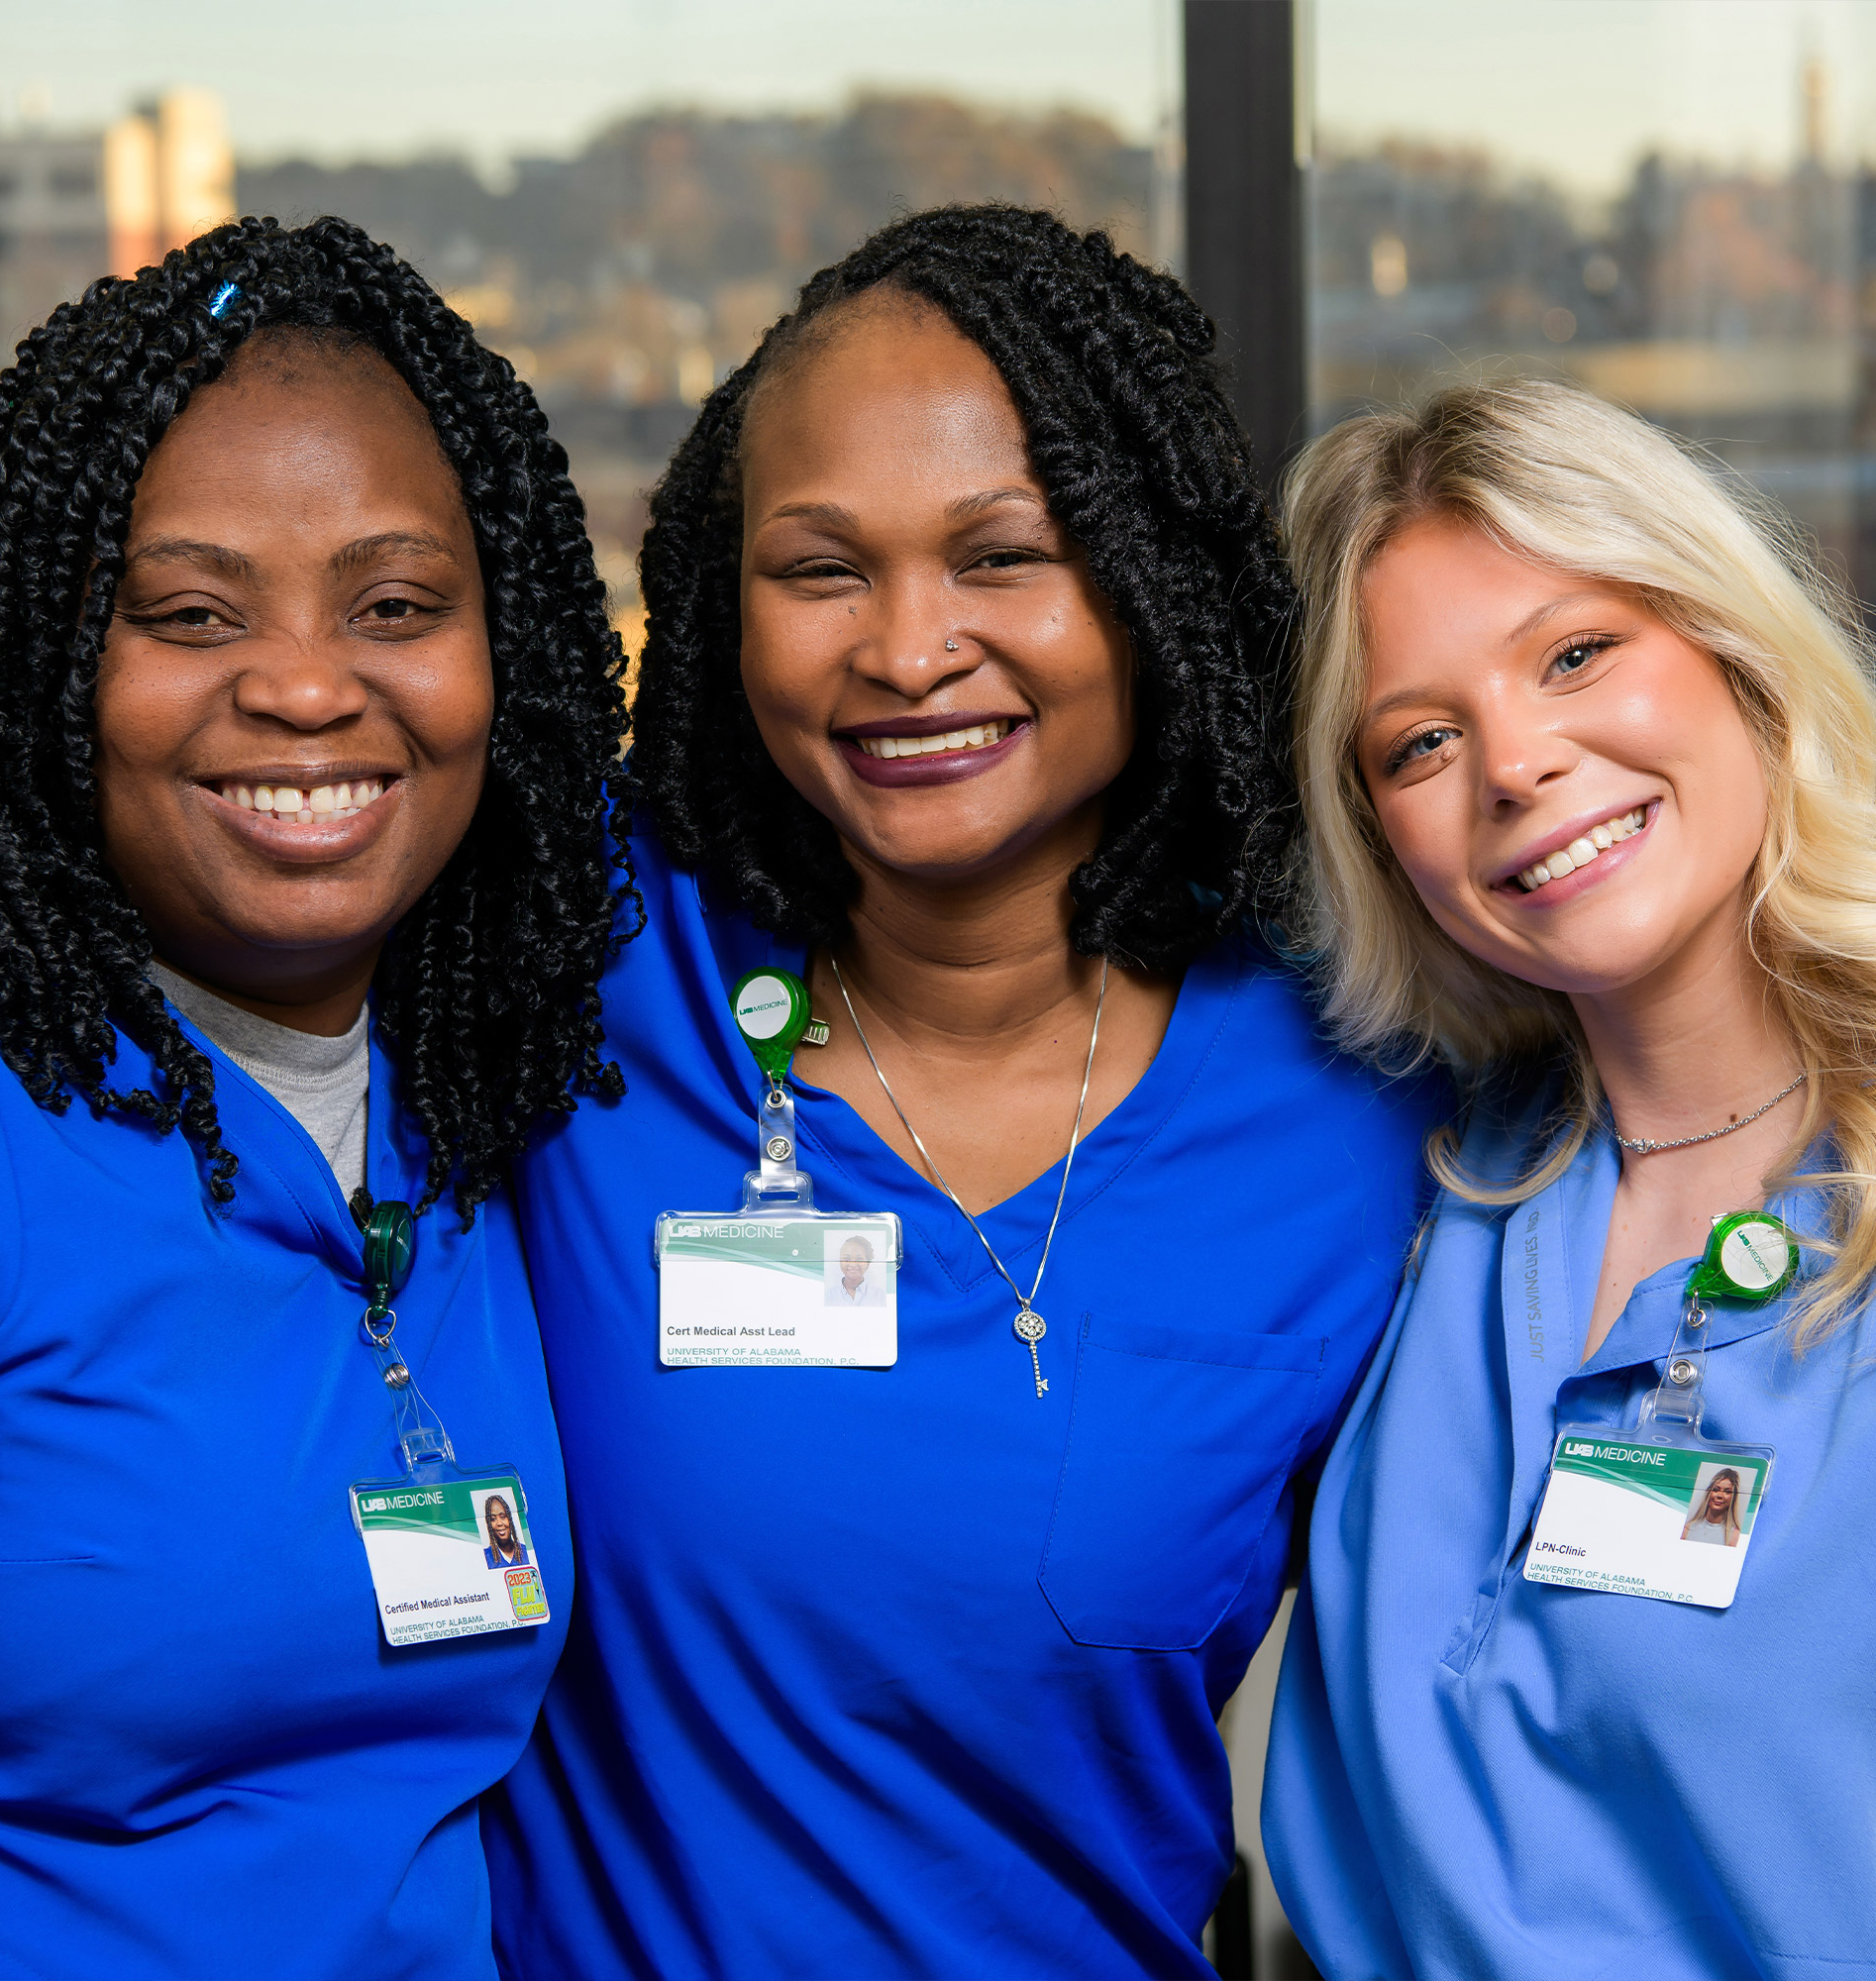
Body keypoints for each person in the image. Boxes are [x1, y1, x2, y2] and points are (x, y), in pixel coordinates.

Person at [484, 205, 1439, 1980]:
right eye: (822, 568)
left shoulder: (1366, 1088)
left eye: (1005, 556)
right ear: (718, 598)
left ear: (1150, 583)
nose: (911, 650)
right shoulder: (565, 957)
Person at [0, 216, 627, 1979]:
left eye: (394, 607)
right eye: (191, 613)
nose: (306, 687)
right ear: (46, 660)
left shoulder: (485, 1082)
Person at [1261, 377, 1876, 1978]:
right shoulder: (1435, 1188)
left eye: (1577, 653)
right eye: (1422, 740)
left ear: (1731, 645)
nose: (1517, 764)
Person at [1682, 1466, 1745, 1545]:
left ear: (1733, 1497)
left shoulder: (1735, 1536)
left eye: (1727, 1492)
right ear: (1709, 1493)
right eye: (1716, 1490)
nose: (1720, 1495)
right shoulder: (1687, 1529)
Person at [830, 1233, 886, 1306]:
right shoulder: (829, 1295)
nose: (853, 1265)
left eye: (859, 1259)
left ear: (868, 1263)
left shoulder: (880, 1296)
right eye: (847, 1259)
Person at [485, 1495, 532, 1568]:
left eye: (503, 1517)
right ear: (489, 1524)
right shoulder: (486, 1557)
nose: (499, 1523)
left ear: (510, 1519)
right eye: (493, 1519)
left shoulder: (526, 1552)